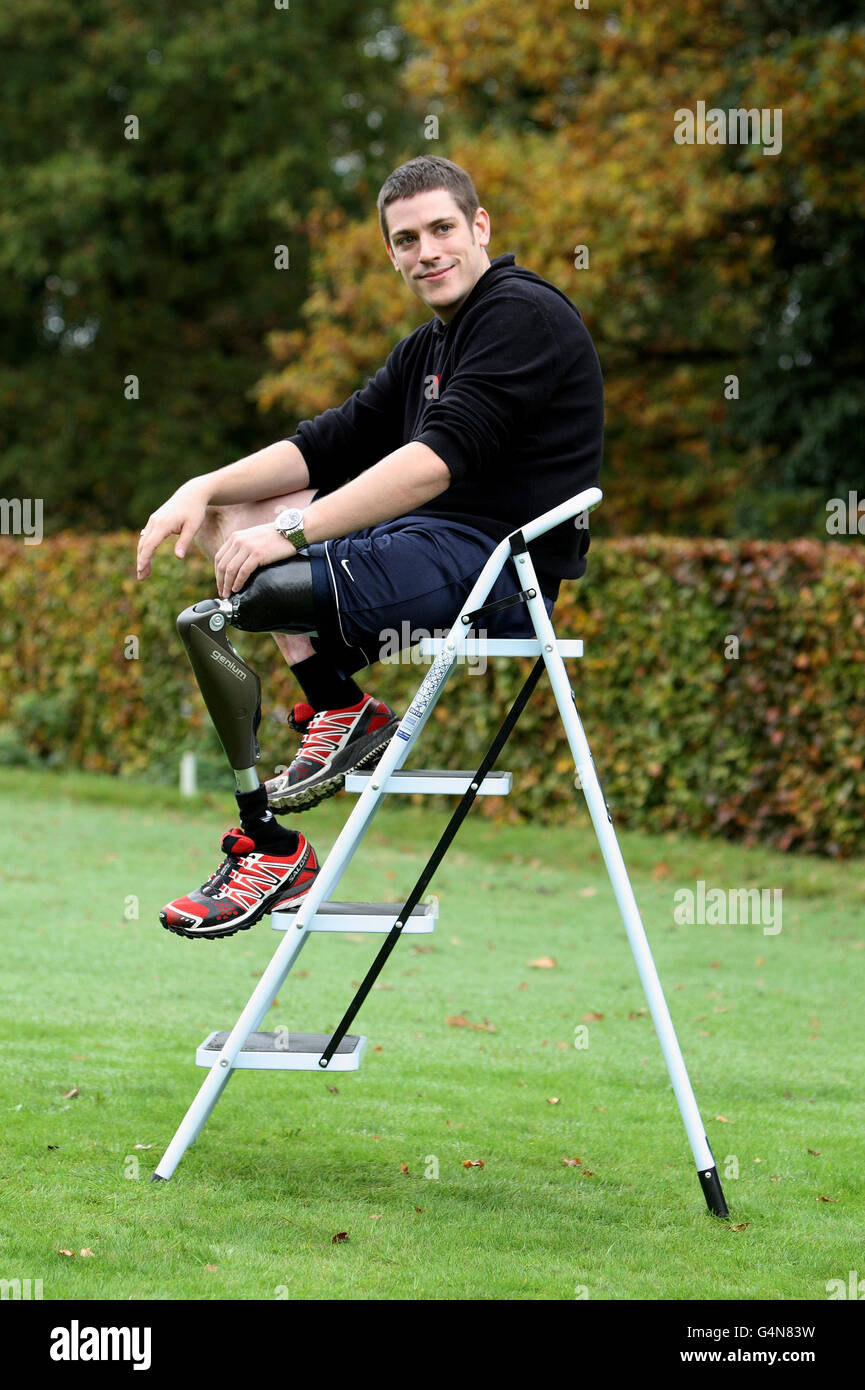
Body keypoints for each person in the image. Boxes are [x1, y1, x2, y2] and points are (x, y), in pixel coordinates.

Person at [136, 155, 604, 940]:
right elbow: (327, 442)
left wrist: (287, 533)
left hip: (497, 569)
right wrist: (202, 485)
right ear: (390, 253)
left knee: (263, 580)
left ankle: (331, 715)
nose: (427, 251)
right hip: (421, 547)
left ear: (479, 226)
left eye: (442, 229)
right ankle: (302, 784)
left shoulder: (521, 313)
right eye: (406, 239)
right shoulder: (428, 346)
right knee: (233, 515)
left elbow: (432, 465)